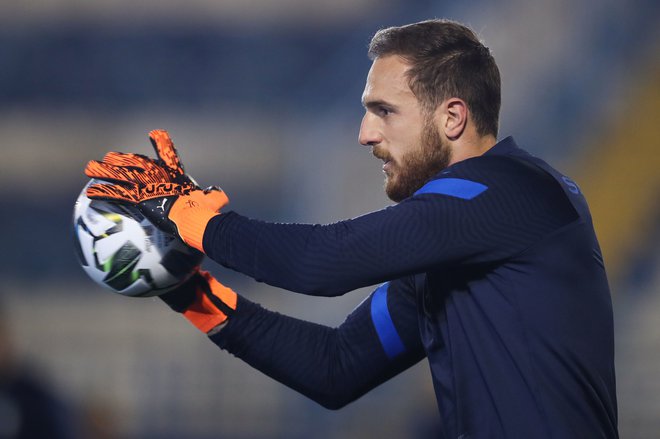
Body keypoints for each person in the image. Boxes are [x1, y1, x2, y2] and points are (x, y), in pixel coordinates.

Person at [83, 19, 618, 438]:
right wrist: (188, 289)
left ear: (452, 118)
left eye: (384, 111)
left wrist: (185, 212)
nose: (365, 133)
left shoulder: (508, 192)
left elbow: (322, 262)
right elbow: (335, 367)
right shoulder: (457, 241)